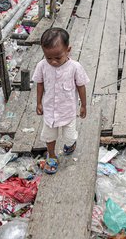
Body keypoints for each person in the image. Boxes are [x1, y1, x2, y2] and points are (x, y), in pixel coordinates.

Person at [32, 27, 90, 174]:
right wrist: (38, 102)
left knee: (69, 137)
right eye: (48, 58)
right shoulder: (42, 66)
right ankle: (51, 155)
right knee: (49, 136)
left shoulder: (75, 67)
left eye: (58, 57)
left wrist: (83, 105)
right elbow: (40, 84)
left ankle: (71, 144)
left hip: (68, 111)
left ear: (68, 50)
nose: (53, 62)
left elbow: (81, 86)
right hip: (50, 111)